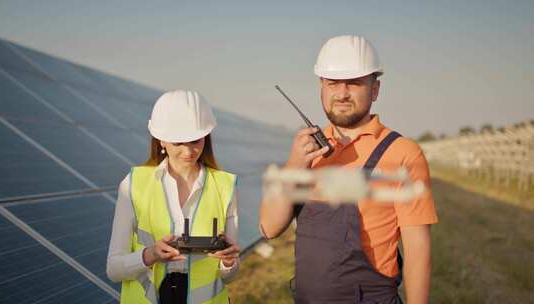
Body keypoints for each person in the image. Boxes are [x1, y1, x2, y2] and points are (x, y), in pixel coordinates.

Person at [260, 35, 438, 304]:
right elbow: (269, 228)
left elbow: (417, 251)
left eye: (354, 83)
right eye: (333, 83)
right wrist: (295, 165)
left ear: (375, 89)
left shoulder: (403, 154)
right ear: (321, 86)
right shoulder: (307, 152)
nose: (342, 93)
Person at [107, 90, 240, 304]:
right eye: (178, 142)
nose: (188, 151)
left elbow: (230, 276)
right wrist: (151, 255)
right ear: (161, 140)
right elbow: (113, 269)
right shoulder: (133, 184)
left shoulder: (226, 187)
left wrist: (228, 262)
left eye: (196, 140)